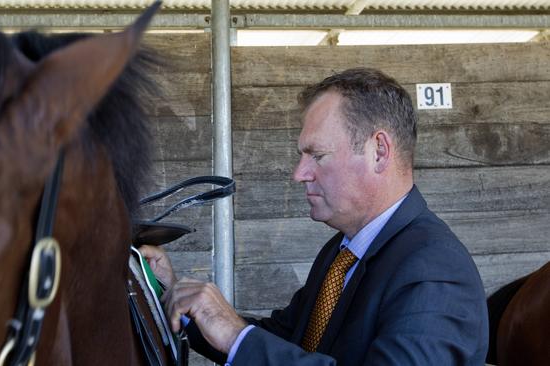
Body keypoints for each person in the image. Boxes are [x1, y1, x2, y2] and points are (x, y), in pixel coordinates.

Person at [141, 67, 489, 365]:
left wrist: (235, 335)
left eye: (317, 155)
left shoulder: (435, 271)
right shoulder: (342, 252)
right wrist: (178, 299)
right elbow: (289, 341)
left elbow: (253, 344)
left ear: (379, 152)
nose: (299, 173)